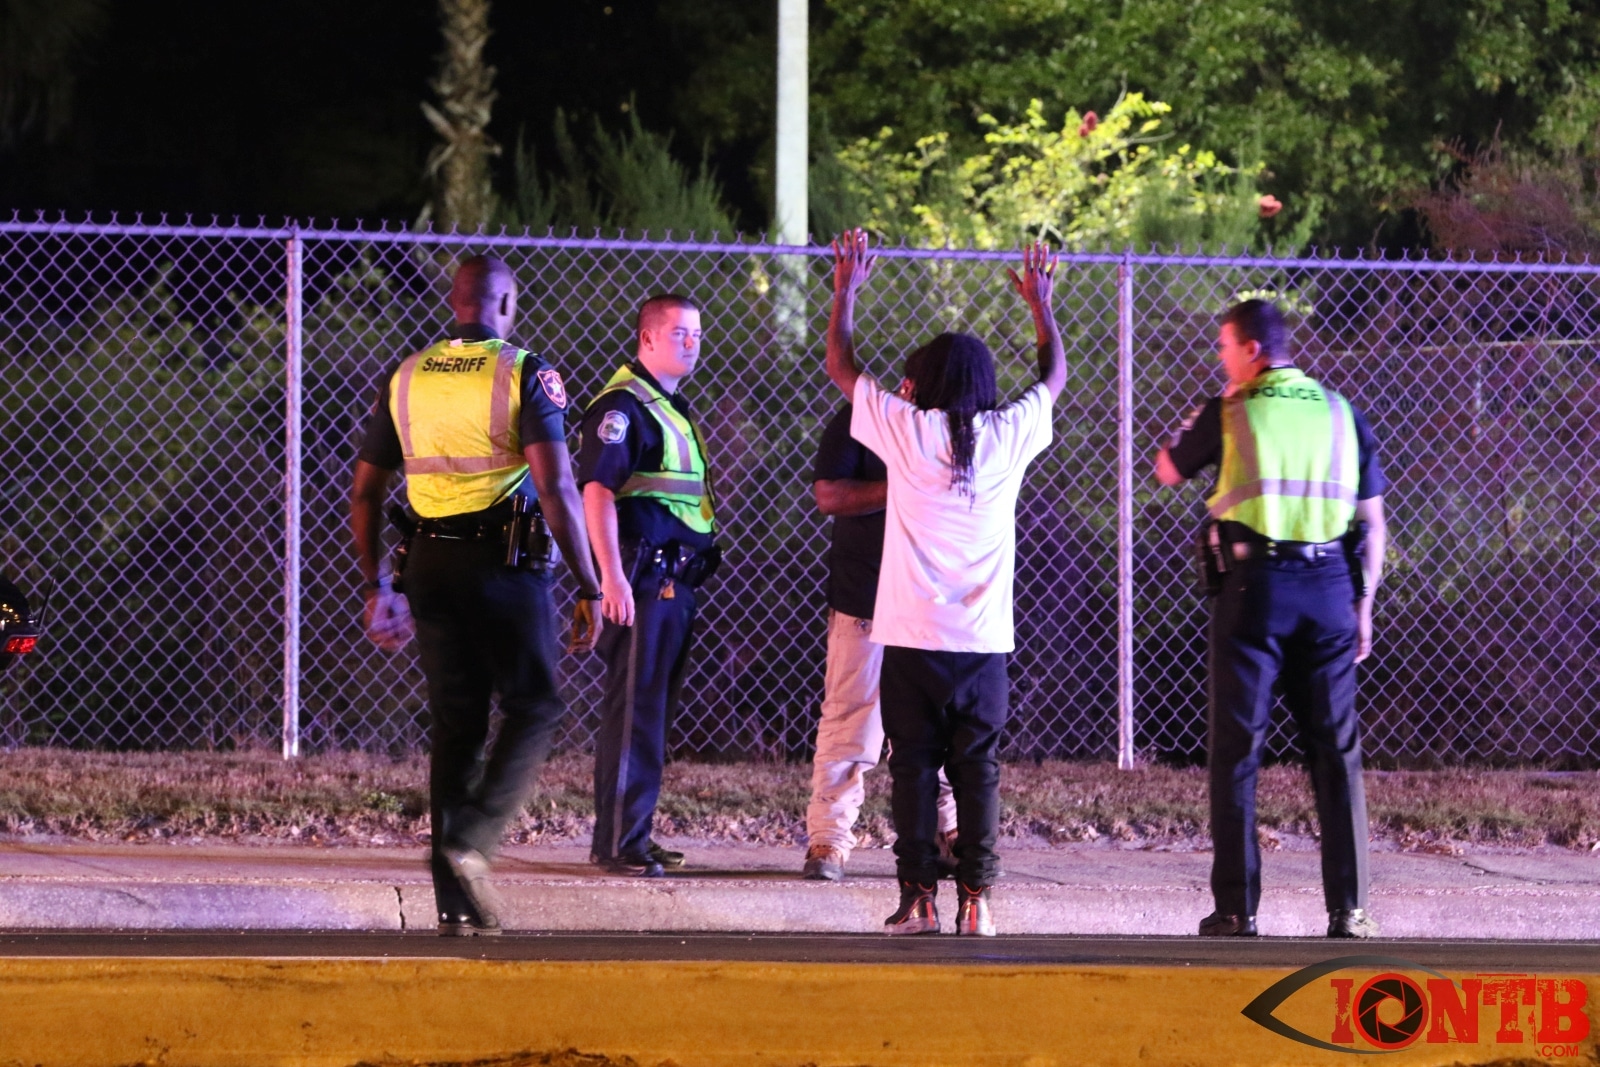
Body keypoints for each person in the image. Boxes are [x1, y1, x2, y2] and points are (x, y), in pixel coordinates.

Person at [349, 254, 603, 936]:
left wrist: (376, 584)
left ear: (454, 302)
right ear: (507, 304)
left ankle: (453, 903)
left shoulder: (406, 375)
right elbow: (556, 487)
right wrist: (590, 583)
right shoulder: (524, 371)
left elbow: (365, 492)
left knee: (456, 725)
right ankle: (474, 840)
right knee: (536, 704)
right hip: (504, 562)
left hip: (427, 565)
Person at [823, 231, 1066, 936]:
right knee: (978, 770)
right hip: (982, 644)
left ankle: (919, 900)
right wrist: (1041, 307)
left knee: (914, 768)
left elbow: (842, 366)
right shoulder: (1008, 434)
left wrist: (846, 292)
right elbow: (1053, 379)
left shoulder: (909, 430)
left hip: (912, 637)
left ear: (925, 383)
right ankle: (978, 902)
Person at [1154, 297, 1387, 940]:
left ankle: (1237, 910)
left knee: (1237, 751)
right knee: (1336, 752)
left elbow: (1167, 469)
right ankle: (1350, 910)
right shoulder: (1341, 412)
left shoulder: (1231, 410)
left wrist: (1203, 412)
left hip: (1254, 590)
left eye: (1225, 346)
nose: (1219, 357)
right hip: (1330, 590)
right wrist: (1363, 606)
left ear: (1252, 350)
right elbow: (1372, 524)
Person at [579, 293, 720, 878]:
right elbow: (596, 492)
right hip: (643, 577)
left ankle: (631, 834)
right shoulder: (624, 406)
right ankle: (618, 842)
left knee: (650, 712)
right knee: (635, 711)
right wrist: (611, 577)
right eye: (679, 333)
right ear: (647, 338)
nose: (692, 343)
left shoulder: (667, 406)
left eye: (697, 334)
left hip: (671, 580)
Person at [802, 357, 958, 883]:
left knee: (936, 722)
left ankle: (947, 830)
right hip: (864, 596)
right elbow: (830, 495)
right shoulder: (862, 418)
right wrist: (905, 485)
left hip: (927, 602)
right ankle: (829, 838)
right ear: (907, 387)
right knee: (851, 719)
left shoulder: (953, 430)